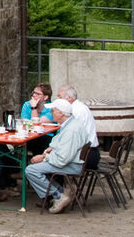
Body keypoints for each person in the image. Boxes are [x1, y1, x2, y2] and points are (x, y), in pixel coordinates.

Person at [25, 85, 98, 213]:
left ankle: (58, 196)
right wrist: (50, 149)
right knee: (36, 166)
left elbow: (62, 159)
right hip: (74, 160)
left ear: (61, 113)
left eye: (53, 111)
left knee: (31, 170)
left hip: (73, 164)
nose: (51, 113)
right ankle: (59, 192)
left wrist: (44, 157)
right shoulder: (70, 123)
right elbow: (60, 143)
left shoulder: (71, 129)